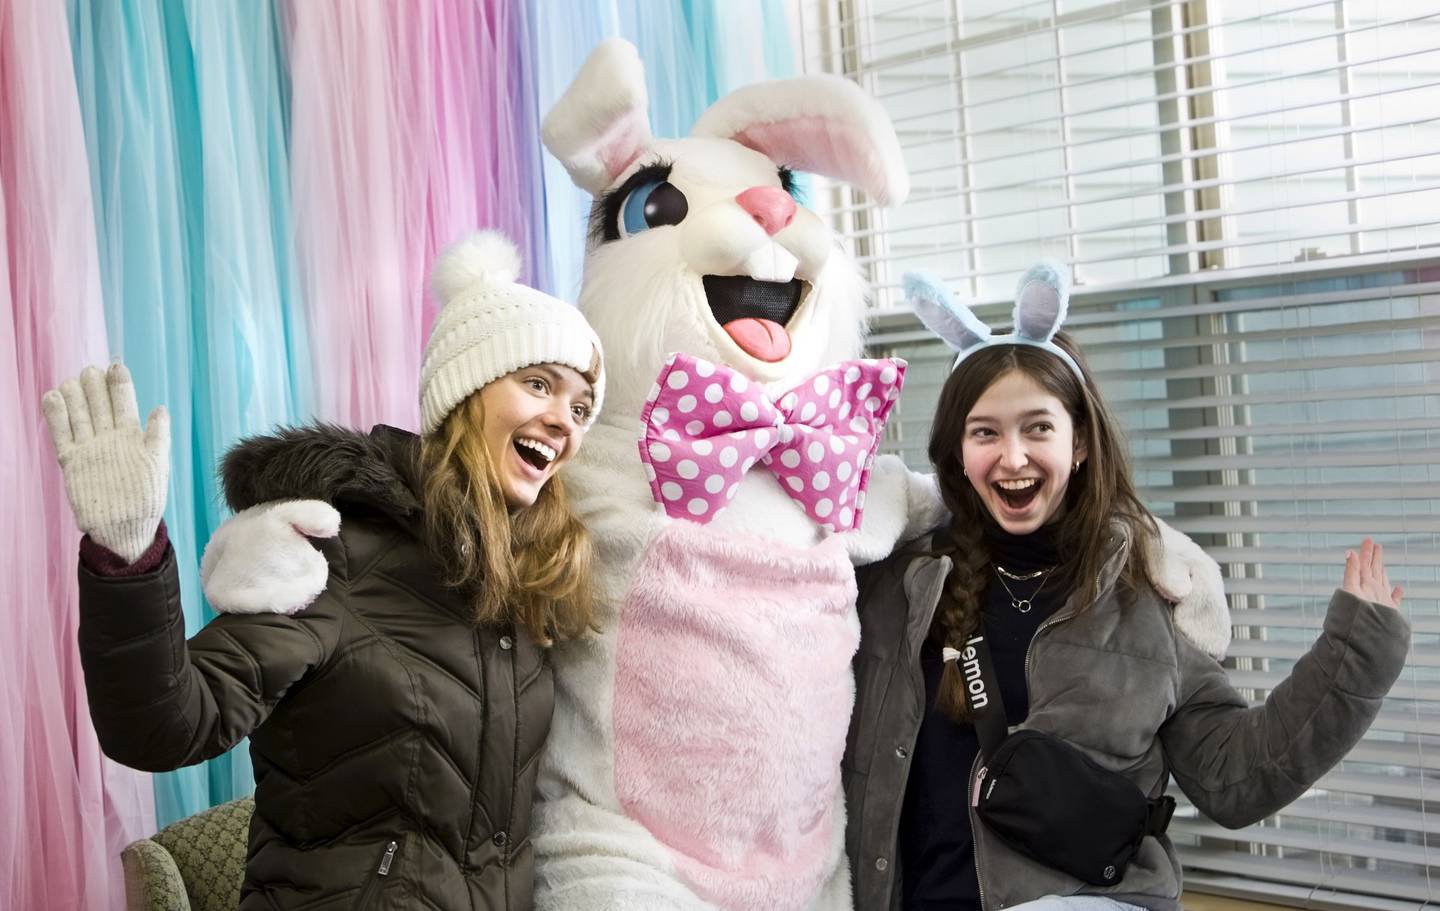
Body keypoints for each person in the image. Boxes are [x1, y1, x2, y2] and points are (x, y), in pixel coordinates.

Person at [42, 231, 604, 910]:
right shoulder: (335, 549)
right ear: (467, 391)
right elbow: (164, 723)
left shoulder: (531, 588)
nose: (563, 420)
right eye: (538, 383)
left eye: (579, 406)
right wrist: (128, 555)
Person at [842, 266, 1411, 911]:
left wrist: (1355, 653)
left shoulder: (1146, 598)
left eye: (1038, 428)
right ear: (957, 450)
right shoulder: (898, 584)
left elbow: (1236, 779)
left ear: (1078, 442)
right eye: (985, 432)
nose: (1013, 456)